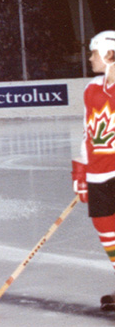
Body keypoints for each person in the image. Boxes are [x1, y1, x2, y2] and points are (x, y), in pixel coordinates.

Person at [72, 31, 115, 310]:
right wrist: (81, 171)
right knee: (104, 226)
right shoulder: (91, 89)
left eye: (94, 52)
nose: (89, 58)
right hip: (98, 171)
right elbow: (88, 134)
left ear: (110, 54)